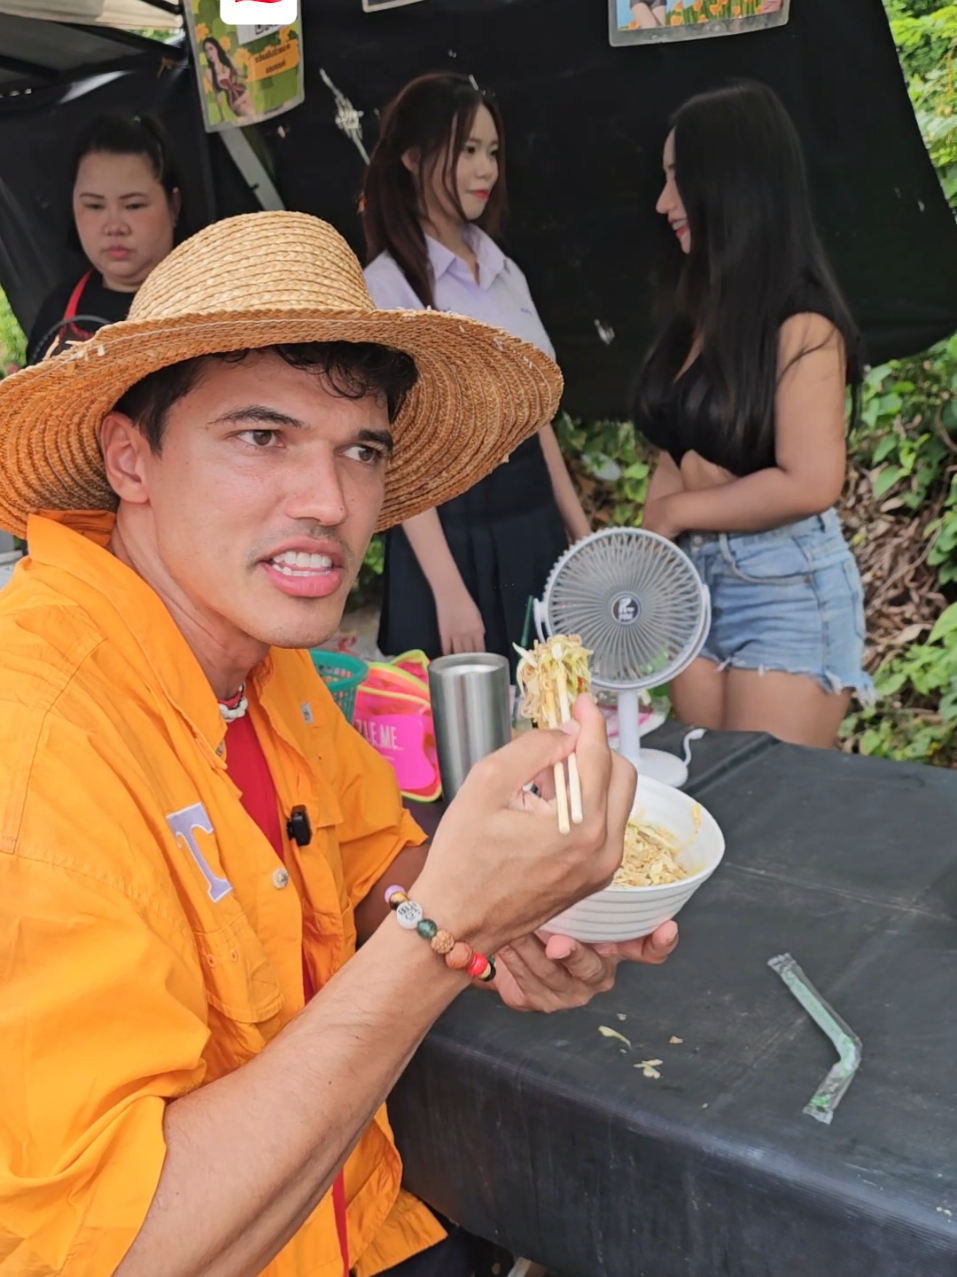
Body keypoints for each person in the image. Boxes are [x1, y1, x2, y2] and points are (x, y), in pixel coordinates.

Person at [0, 211, 678, 1277]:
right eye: (261, 436)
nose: (328, 502)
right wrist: (440, 926)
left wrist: (516, 920)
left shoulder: (262, 660)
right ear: (131, 457)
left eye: (360, 449)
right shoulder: (34, 746)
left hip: (360, 1210)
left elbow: (378, 868)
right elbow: (125, 1246)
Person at [634, 82, 872, 748]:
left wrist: (676, 516)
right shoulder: (696, 318)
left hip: (785, 589)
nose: (662, 203)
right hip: (694, 587)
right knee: (705, 796)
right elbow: (670, 455)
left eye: (677, 180)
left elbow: (810, 481)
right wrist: (644, 567)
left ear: (730, 185)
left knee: (766, 821)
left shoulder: (804, 324)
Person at [361, 73, 591, 671]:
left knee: (551, 711)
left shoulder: (505, 270)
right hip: (449, 530)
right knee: (463, 737)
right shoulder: (385, 287)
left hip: (532, 518)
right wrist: (447, 587)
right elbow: (402, 450)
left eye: (491, 152)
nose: (485, 169)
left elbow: (535, 414)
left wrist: (580, 533)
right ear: (413, 158)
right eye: (467, 151)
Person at [27, 114, 181, 364]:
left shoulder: (213, 304)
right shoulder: (57, 311)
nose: (114, 227)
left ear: (174, 205)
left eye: (133, 205)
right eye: (95, 206)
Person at [203, 36, 255, 122]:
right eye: (206, 51)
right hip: (234, 101)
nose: (209, 53)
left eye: (211, 49)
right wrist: (222, 116)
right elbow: (217, 94)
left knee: (254, 116)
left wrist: (243, 74)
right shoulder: (209, 71)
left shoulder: (226, 58)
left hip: (244, 91)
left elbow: (239, 71)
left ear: (216, 48)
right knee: (250, 115)